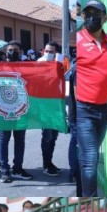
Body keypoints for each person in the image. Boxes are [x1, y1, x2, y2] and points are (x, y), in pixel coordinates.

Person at [76, 0, 107, 196]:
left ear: (105, 18)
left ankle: (83, 187)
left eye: (97, 13)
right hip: (82, 109)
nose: (92, 17)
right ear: (83, 16)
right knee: (91, 156)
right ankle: (89, 200)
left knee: (90, 156)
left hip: (103, 109)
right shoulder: (75, 40)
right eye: (88, 13)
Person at [0, 40, 33, 183]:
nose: (12, 52)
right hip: (3, 109)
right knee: (3, 139)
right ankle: (4, 170)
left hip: (21, 109)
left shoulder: (27, 67)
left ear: (21, 52)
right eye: (10, 50)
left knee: (20, 139)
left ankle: (18, 168)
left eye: (15, 50)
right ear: (6, 52)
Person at [37, 41, 64, 177]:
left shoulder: (60, 64)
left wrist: (59, 66)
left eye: (51, 52)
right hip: (44, 106)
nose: (47, 54)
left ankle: (50, 162)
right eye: (46, 51)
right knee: (47, 136)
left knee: (54, 136)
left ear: (56, 53)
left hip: (56, 106)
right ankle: (46, 165)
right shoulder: (39, 63)